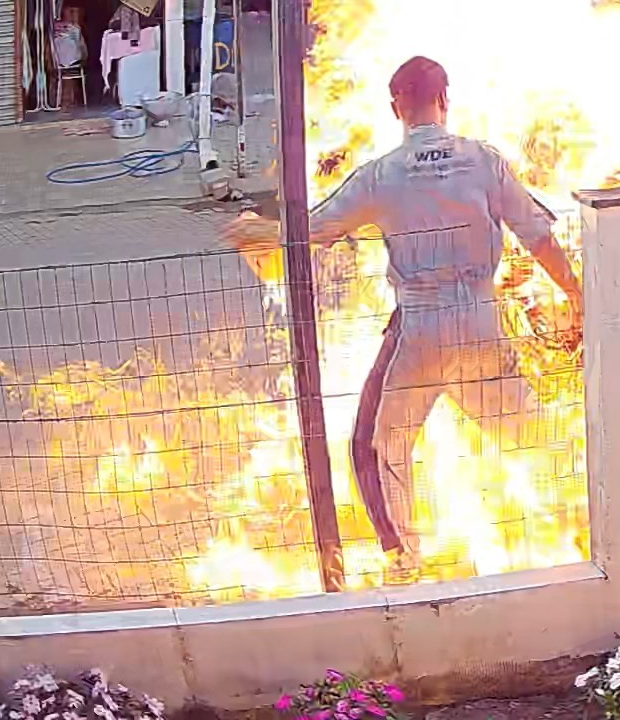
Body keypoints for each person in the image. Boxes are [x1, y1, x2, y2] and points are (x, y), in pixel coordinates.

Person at [225, 56, 581, 584]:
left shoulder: (382, 175)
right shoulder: (485, 161)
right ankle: (582, 517)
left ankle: (403, 558)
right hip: (483, 319)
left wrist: (252, 230)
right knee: (529, 434)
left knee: (376, 443)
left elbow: (309, 230)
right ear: (446, 99)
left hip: (420, 326)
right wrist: (577, 295)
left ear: (396, 108)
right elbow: (539, 237)